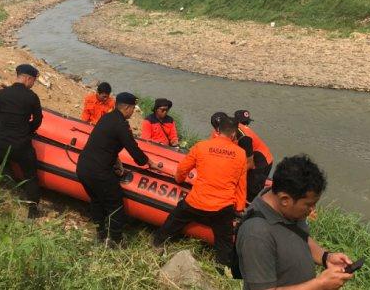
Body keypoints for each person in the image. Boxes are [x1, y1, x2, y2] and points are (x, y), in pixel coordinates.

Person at [236, 155, 355, 290]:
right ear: (285, 199)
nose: (312, 210)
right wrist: (319, 284)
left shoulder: (289, 210)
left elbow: (298, 236)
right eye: (309, 205)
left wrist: (325, 257)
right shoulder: (256, 234)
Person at [153, 115, 247, 267]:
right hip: (222, 207)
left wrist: (178, 179)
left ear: (217, 130)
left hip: (197, 201)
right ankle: (222, 265)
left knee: (174, 220)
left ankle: (157, 243)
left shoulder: (201, 146)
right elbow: (241, 185)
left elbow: (182, 169)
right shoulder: (241, 154)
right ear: (234, 134)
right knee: (225, 240)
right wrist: (239, 208)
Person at [76, 92, 155, 246]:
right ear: (127, 107)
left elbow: (104, 143)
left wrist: (116, 161)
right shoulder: (121, 124)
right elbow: (133, 148)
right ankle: (115, 240)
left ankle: (100, 233)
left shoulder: (107, 117)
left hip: (83, 167)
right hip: (99, 171)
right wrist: (147, 162)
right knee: (115, 204)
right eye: (133, 108)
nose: (133, 112)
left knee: (97, 201)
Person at [0, 64, 44, 218]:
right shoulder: (31, 97)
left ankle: (11, 192)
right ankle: (33, 211)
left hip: (0, 142)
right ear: (28, 78)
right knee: (31, 176)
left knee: (4, 167)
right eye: (33, 81)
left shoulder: (1, 94)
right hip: (20, 144)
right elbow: (38, 120)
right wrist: (27, 130)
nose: (33, 84)